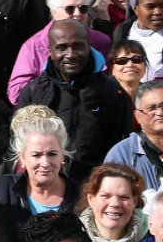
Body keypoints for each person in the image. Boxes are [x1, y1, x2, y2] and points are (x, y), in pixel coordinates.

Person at [16, 19, 134, 178]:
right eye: (61, 48)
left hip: (94, 187)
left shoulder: (113, 93)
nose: (70, 55)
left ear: (89, 46)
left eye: (78, 46)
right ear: (50, 51)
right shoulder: (32, 92)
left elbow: (120, 150)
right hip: (46, 184)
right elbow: (22, 147)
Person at [0, 107, 84, 242]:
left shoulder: (81, 195)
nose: (45, 163)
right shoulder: (3, 190)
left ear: (63, 155)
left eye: (52, 154)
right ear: (22, 158)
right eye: (36, 155)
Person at [7, 0, 116, 104]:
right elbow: (15, 93)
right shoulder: (34, 45)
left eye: (83, 8)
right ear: (53, 12)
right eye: (69, 9)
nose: (77, 14)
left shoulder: (102, 41)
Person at [76, 163, 149, 242]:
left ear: (134, 201)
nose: (115, 204)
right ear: (91, 199)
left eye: (123, 197)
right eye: (105, 196)